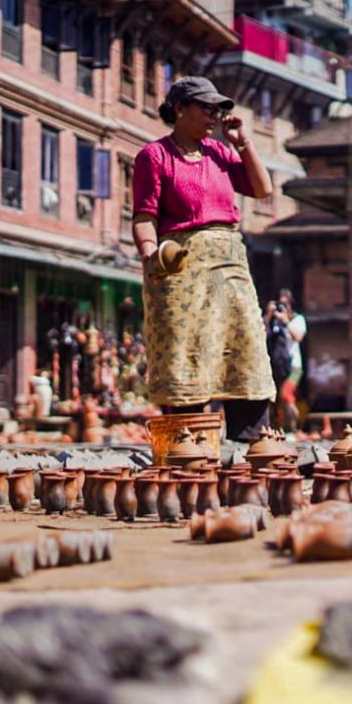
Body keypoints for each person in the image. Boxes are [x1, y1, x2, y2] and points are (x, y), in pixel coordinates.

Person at [132, 76, 276, 442]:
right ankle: (186, 446)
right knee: (185, 348)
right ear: (180, 109)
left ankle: (251, 440)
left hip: (229, 261)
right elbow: (145, 217)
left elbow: (263, 189)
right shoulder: (154, 156)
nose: (214, 116)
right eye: (206, 108)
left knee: (245, 341)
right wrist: (152, 257)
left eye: (218, 109)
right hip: (179, 265)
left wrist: (244, 144)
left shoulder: (220, 152)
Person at [264, 289, 307, 430]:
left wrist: (286, 322)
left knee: (286, 394)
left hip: (293, 366)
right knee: (273, 399)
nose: (282, 307)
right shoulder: (271, 322)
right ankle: (275, 429)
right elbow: (259, 336)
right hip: (275, 366)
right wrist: (269, 316)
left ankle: (293, 428)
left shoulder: (297, 319)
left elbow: (298, 337)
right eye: (279, 304)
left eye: (285, 304)